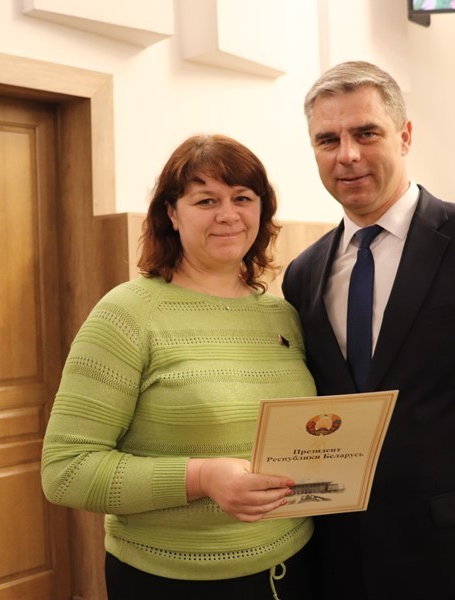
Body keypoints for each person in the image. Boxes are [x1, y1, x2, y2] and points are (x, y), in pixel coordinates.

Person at [282, 61, 455, 599]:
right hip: (339, 560)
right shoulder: (303, 274)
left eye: (366, 133)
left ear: (405, 135)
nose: (348, 154)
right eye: (328, 140)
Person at [41, 133, 317, 599]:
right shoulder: (128, 313)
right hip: (171, 579)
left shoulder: (283, 315)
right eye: (206, 200)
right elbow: (66, 471)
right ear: (171, 213)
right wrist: (202, 478)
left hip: (294, 566)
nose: (227, 214)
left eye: (242, 198)